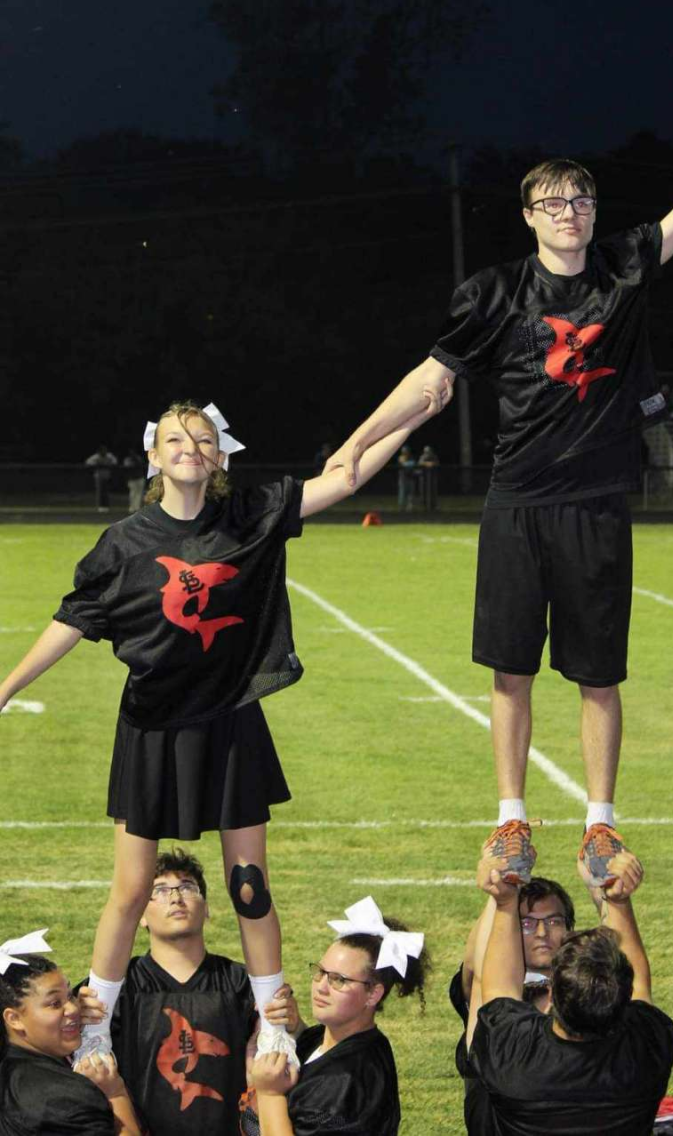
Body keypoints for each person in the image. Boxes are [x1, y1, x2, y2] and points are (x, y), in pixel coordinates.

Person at [323, 89, 673, 881]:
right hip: (517, 502)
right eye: (552, 201)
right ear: (529, 216)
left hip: (597, 502)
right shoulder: (496, 293)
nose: (569, 211)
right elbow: (430, 383)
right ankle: (510, 820)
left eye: (580, 199)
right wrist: (356, 442)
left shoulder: (625, 266)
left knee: (598, 675)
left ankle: (600, 825)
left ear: (593, 211)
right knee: (511, 670)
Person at [0, 397, 432, 1070]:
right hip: (150, 725)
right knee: (131, 889)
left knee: (250, 884)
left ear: (220, 457)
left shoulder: (247, 519)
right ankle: (98, 1027)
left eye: (201, 439)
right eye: (174, 438)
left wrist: (409, 419)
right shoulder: (124, 542)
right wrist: (6, 685)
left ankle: (274, 1025)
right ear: (153, 455)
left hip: (229, 718)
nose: (188, 447)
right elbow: (72, 620)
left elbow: (343, 480)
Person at [467, 841, 673, 1134]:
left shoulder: (515, 1056)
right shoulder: (646, 1049)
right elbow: (641, 983)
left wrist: (505, 902)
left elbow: (496, 985)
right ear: (623, 998)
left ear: (552, 994)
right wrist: (617, 900)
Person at [78, 849, 261, 1136]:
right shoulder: (117, 986)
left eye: (187, 887)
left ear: (207, 906)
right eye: (159, 891)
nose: (175, 898)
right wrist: (76, 1013)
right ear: (138, 914)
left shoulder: (241, 982)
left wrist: (290, 1021)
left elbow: (281, 1048)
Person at [240, 896, 428, 1136]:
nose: (321, 986)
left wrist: (269, 1094)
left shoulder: (346, 1082)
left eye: (339, 980)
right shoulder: (335, 1037)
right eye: (321, 972)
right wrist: (296, 1031)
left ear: (373, 994)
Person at [451, 876, 576, 1135]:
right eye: (527, 923)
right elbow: (479, 965)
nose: (542, 933)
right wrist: (502, 889)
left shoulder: (582, 998)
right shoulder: (486, 995)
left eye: (553, 921)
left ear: (570, 930)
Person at [0, 934, 140, 1135]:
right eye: (55, 1003)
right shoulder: (66, 1097)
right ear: (14, 1019)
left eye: (70, 995)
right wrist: (115, 1094)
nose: (74, 1008)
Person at [85, 445, 118, 512]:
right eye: (102, 450)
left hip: (107, 477)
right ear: (99, 451)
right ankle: (99, 507)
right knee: (99, 493)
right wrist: (96, 464)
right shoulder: (96, 456)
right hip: (98, 477)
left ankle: (106, 507)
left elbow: (115, 462)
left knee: (106, 493)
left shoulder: (109, 456)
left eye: (105, 450)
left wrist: (110, 464)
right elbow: (88, 462)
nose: (104, 451)